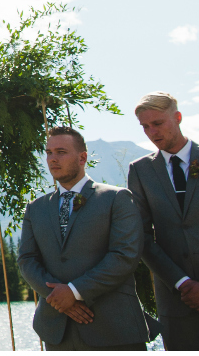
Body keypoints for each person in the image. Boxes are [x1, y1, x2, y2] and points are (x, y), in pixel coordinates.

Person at [127, 92, 199, 350]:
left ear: (178, 118)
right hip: (177, 302)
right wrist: (184, 284)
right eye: (145, 127)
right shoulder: (140, 171)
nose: (151, 132)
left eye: (158, 123)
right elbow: (142, 237)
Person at [18, 126, 149, 350]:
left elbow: (124, 256)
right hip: (58, 329)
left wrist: (75, 291)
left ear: (82, 157)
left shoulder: (116, 198)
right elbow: (27, 260)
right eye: (49, 152)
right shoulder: (35, 208)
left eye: (61, 152)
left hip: (113, 328)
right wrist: (58, 298)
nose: (52, 159)